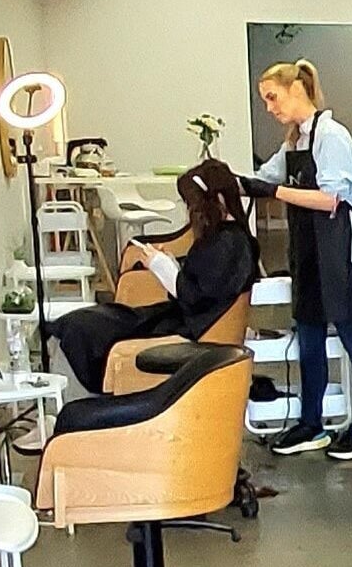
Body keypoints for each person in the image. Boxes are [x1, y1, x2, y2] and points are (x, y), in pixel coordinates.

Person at [248, 60, 352, 462]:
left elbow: (330, 199)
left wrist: (273, 193)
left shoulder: (331, 136)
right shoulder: (295, 141)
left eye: (272, 98)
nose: (269, 108)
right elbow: (265, 175)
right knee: (308, 338)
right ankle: (311, 424)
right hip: (307, 252)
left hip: (338, 251)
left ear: (296, 89)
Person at [50, 161, 259, 393]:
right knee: (86, 322)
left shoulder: (228, 243)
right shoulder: (226, 239)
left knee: (81, 328)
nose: (190, 211)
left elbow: (196, 297)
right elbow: (203, 287)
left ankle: (71, 409)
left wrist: (163, 268)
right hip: (178, 317)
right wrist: (170, 265)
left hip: (188, 327)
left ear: (214, 201)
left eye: (192, 204)